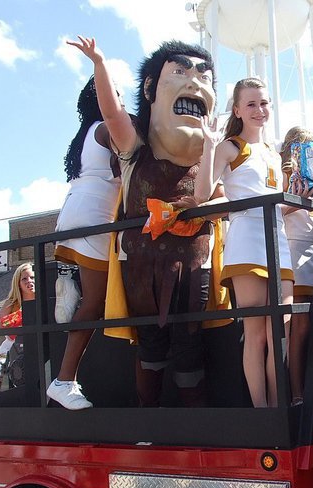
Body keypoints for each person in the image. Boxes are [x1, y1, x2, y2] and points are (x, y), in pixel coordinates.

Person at [68, 36, 218, 407]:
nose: (194, 81)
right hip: (142, 268)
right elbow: (113, 115)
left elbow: (222, 197)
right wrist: (100, 64)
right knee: (150, 344)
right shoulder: (135, 150)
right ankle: (148, 418)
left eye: (205, 76)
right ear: (151, 88)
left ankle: (193, 423)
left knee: (190, 343)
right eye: (180, 71)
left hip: (194, 263)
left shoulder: (211, 155)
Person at [196, 77, 295, 408]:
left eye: (264, 103)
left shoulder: (273, 151)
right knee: (254, 334)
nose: (259, 110)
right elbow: (200, 194)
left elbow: (279, 203)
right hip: (247, 241)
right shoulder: (230, 146)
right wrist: (209, 145)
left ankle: (281, 403)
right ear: (237, 109)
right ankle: (262, 410)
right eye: (251, 104)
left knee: (281, 330)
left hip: (277, 238)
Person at [45, 76, 123, 410]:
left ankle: (67, 283)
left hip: (72, 213)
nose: (118, 98)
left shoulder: (85, 133)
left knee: (92, 299)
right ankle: (63, 381)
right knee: (96, 303)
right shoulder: (107, 127)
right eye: (113, 94)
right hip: (95, 216)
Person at [280, 126, 313, 405]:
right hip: (295, 248)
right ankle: (296, 394)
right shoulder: (283, 172)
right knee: (300, 325)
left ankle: (309, 389)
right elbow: (275, 209)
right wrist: (301, 200)